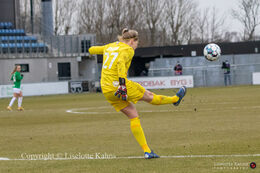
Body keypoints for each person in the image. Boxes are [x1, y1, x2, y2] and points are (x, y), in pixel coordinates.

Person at [89, 28, 186, 159]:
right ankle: (175, 99)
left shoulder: (111, 46)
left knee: (133, 115)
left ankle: (147, 151)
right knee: (149, 96)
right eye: (136, 43)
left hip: (106, 89)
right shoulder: (128, 50)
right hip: (118, 85)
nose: (136, 47)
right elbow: (120, 63)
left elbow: (93, 50)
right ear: (131, 41)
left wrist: (90, 50)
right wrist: (122, 85)